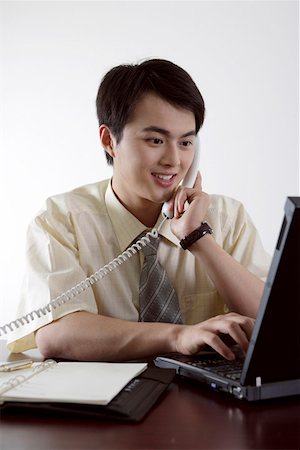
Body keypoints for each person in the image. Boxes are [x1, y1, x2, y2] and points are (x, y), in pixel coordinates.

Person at [7, 59, 270, 361]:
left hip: (211, 400)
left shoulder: (227, 217)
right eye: (155, 140)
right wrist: (178, 336)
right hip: (105, 401)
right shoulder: (62, 220)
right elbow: (57, 334)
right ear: (109, 140)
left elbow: (274, 324)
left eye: (185, 142)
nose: (174, 160)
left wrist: (198, 238)